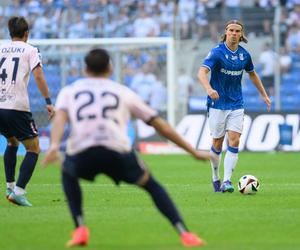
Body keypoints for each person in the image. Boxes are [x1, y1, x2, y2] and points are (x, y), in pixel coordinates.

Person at [42, 48, 212, 248]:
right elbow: (159, 124)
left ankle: (80, 228)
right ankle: (185, 234)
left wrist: (54, 146)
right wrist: (193, 151)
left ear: (85, 69)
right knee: (152, 185)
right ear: (110, 68)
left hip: (82, 152)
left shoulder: (69, 91)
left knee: (68, 171)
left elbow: (60, 117)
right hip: (116, 151)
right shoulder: (122, 92)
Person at [197, 20, 271, 193]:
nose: (234, 33)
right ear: (226, 32)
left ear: (241, 34)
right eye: (231, 30)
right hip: (217, 103)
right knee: (217, 141)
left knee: (235, 140)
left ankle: (227, 181)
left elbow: (253, 74)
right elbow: (201, 72)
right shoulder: (217, 52)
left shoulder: (244, 55)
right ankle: (216, 178)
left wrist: (264, 94)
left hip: (236, 103)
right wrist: (209, 89)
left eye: (237, 31)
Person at [0, 16, 55, 206]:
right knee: (33, 148)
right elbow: (38, 76)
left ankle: (9, 186)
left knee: (11, 141)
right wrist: (48, 101)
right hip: (16, 107)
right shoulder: (31, 49)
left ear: (10, 33)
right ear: (26, 34)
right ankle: (19, 191)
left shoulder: (0, 47)